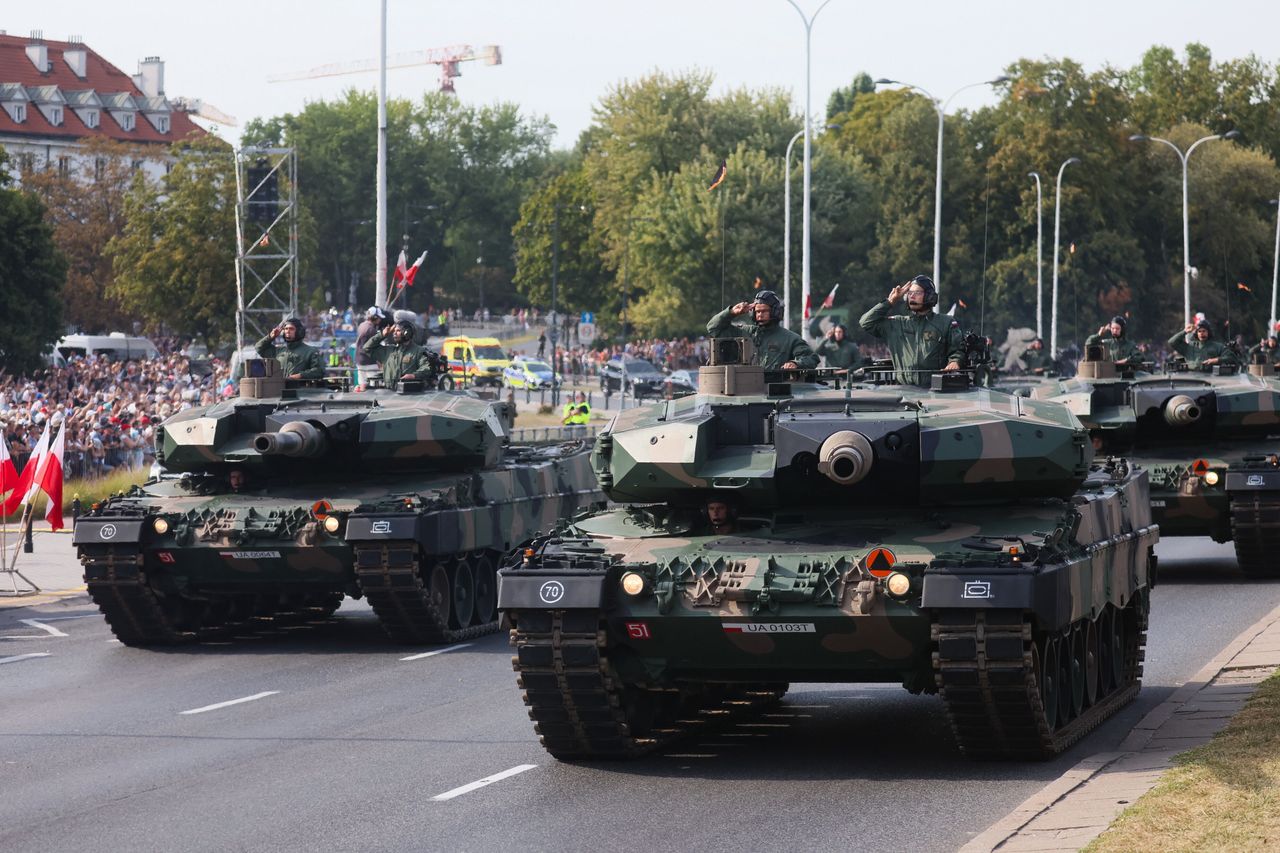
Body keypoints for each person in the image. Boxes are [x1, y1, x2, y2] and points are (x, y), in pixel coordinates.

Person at [858, 275, 964, 385]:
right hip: (905, 392)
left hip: (935, 390)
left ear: (930, 296)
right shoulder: (896, 324)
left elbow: (958, 349)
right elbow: (865, 322)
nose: (912, 296)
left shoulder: (945, 322)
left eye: (917, 292)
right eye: (909, 293)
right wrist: (890, 302)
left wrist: (955, 361)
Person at [706, 288, 818, 370]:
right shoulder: (743, 332)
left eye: (764, 311)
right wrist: (731, 312)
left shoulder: (790, 339)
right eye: (758, 311)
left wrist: (795, 363)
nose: (760, 315)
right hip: (744, 389)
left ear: (775, 311)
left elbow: (811, 358)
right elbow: (713, 328)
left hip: (773, 391)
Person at [361, 317, 439, 387]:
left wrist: (413, 376)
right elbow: (367, 348)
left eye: (398, 331)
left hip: (409, 394)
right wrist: (382, 335)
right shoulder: (388, 351)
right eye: (394, 331)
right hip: (389, 394)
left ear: (407, 333)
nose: (394, 333)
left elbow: (426, 369)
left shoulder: (419, 351)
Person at [255, 317, 325, 380]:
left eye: (291, 329)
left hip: (301, 390)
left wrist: (299, 376)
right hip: (279, 389)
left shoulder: (310, 351)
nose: (288, 331)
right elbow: (259, 348)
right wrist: (270, 337)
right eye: (286, 329)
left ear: (299, 332)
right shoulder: (279, 351)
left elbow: (319, 371)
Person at [1168, 319, 1237, 370]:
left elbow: (1232, 357)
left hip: (1211, 377)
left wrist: (1216, 360)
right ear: (1196, 333)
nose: (1201, 333)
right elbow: (1172, 342)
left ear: (1208, 332)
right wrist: (1185, 331)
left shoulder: (1217, 346)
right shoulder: (1189, 347)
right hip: (1191, 376)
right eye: (1199, 331)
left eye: (1204, 331)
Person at [356, 307, 388, 386]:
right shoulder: (371, 329)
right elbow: (373, 347)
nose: (380, 320)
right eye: (379, 317)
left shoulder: (361, 325)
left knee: (363, 385)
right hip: (370, 363)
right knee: (376, 386)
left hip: (359, 361)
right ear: (375, 317)